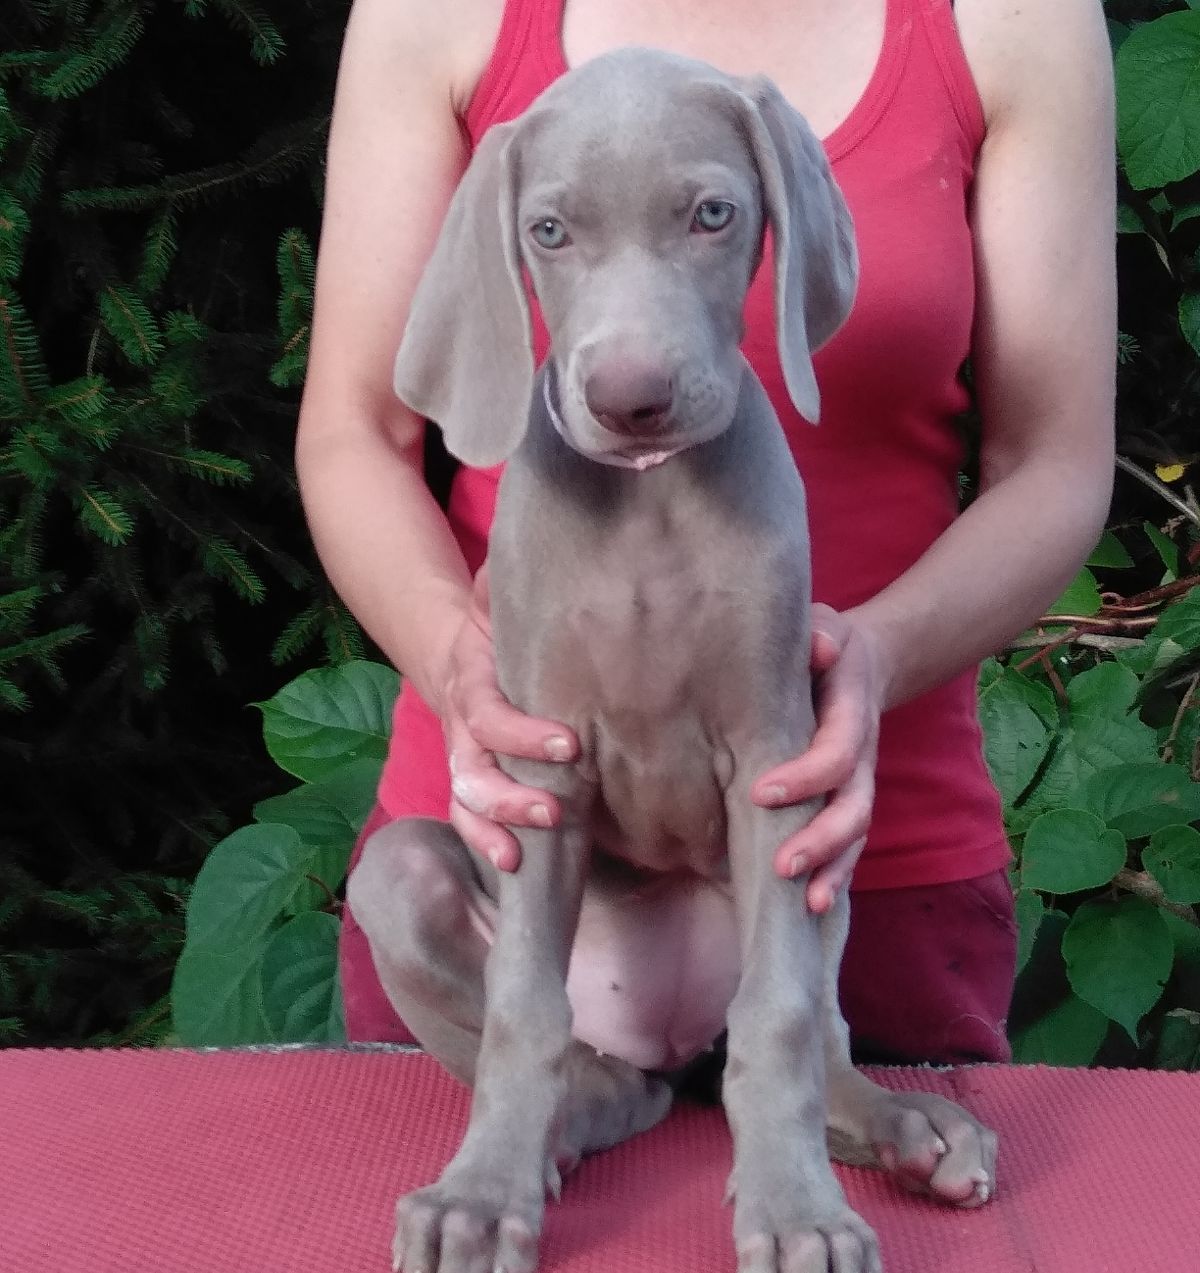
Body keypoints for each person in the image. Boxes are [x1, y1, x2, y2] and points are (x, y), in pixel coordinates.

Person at [295, 0, 1115, 1065]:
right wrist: (457, 663)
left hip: (852, 859)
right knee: (473, 1166)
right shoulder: (442, 13)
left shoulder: (1013, 19)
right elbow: (356, 431)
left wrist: (872, 660)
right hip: (507, 875)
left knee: (858, 1170)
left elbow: (1052, 462)